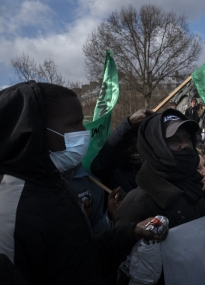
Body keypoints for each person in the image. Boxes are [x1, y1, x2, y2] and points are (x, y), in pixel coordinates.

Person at [0, 82, 166, 284]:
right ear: (36, 130)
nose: (84, 131)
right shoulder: (10, 215)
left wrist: (129, 232)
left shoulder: (56, 185)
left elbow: (80, 258)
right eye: (74, 124)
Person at [114, 109, 205, 229]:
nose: (185, 145)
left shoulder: (194, 186)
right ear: (156, 146)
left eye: (187, 138)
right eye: (174, 140)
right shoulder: (136, 204)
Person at [91, 108, 153, 192]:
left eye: (139, 143)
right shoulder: (109, 172)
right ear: (121, 145)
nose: (136, 147)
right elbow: (102, 163)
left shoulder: (151, 171)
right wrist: (128, 124)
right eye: (130, 143)